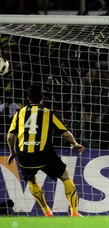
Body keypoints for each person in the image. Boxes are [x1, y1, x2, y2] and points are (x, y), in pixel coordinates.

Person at [6, 84, 84, 217]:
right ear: (42, 98)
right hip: (44, 154)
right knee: (65, 177)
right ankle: (74, 212)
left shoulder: (19, 113)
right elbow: (65, 133)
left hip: (24, 155)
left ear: (28, 98)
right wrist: (75, 143)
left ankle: (47, 211)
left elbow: (10, 136)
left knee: (31, 181)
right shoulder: (48, 112)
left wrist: (13, 152)